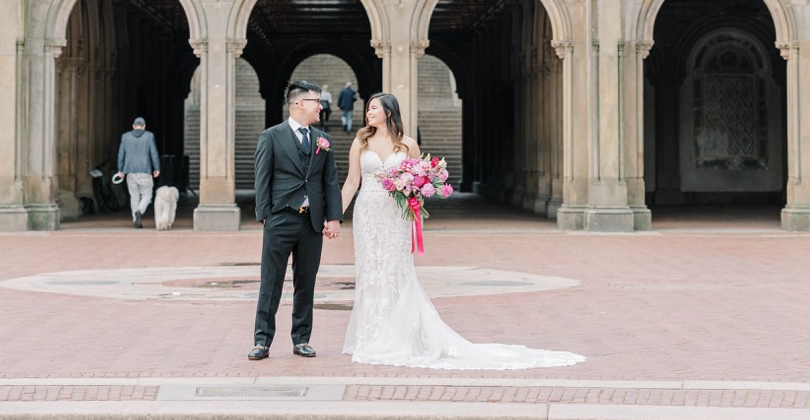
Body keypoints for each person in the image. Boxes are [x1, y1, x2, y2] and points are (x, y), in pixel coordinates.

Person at [339, 93, 584, 370]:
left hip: (396, 217)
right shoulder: (360, 141)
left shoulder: (408, 144)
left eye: (373, 108)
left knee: (396, 270)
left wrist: (411, 199)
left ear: (389, 112)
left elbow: (417, 184)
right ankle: (370, 336)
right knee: (371, 271)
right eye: (368, 108)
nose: (368, 112)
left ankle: (399, 337)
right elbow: (351, 183)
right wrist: (335, 216)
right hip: (368, 214)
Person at [250, 80, 341, 360]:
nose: (321, 107)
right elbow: (262, 177)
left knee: (306, 282)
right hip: (281, 218)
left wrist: (333, 218)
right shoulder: (272, 136)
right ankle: (262, 341)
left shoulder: (322, 140)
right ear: (300, 104)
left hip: (311, 222)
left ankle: (301, 339)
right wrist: (265, 214)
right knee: (271, 281)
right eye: (317, 102)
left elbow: (330, 181)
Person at [116, 116, 160, 229]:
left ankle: (136, 220)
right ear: (144, 126)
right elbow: (153, 153)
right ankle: (139, 211)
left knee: (134, 196)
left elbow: (121, 154)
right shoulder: (149, 136)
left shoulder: (125, 137)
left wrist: (120, 170)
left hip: (130, 171)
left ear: (134, 126)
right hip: (145, 170)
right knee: (147, 194)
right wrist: (157, 168)